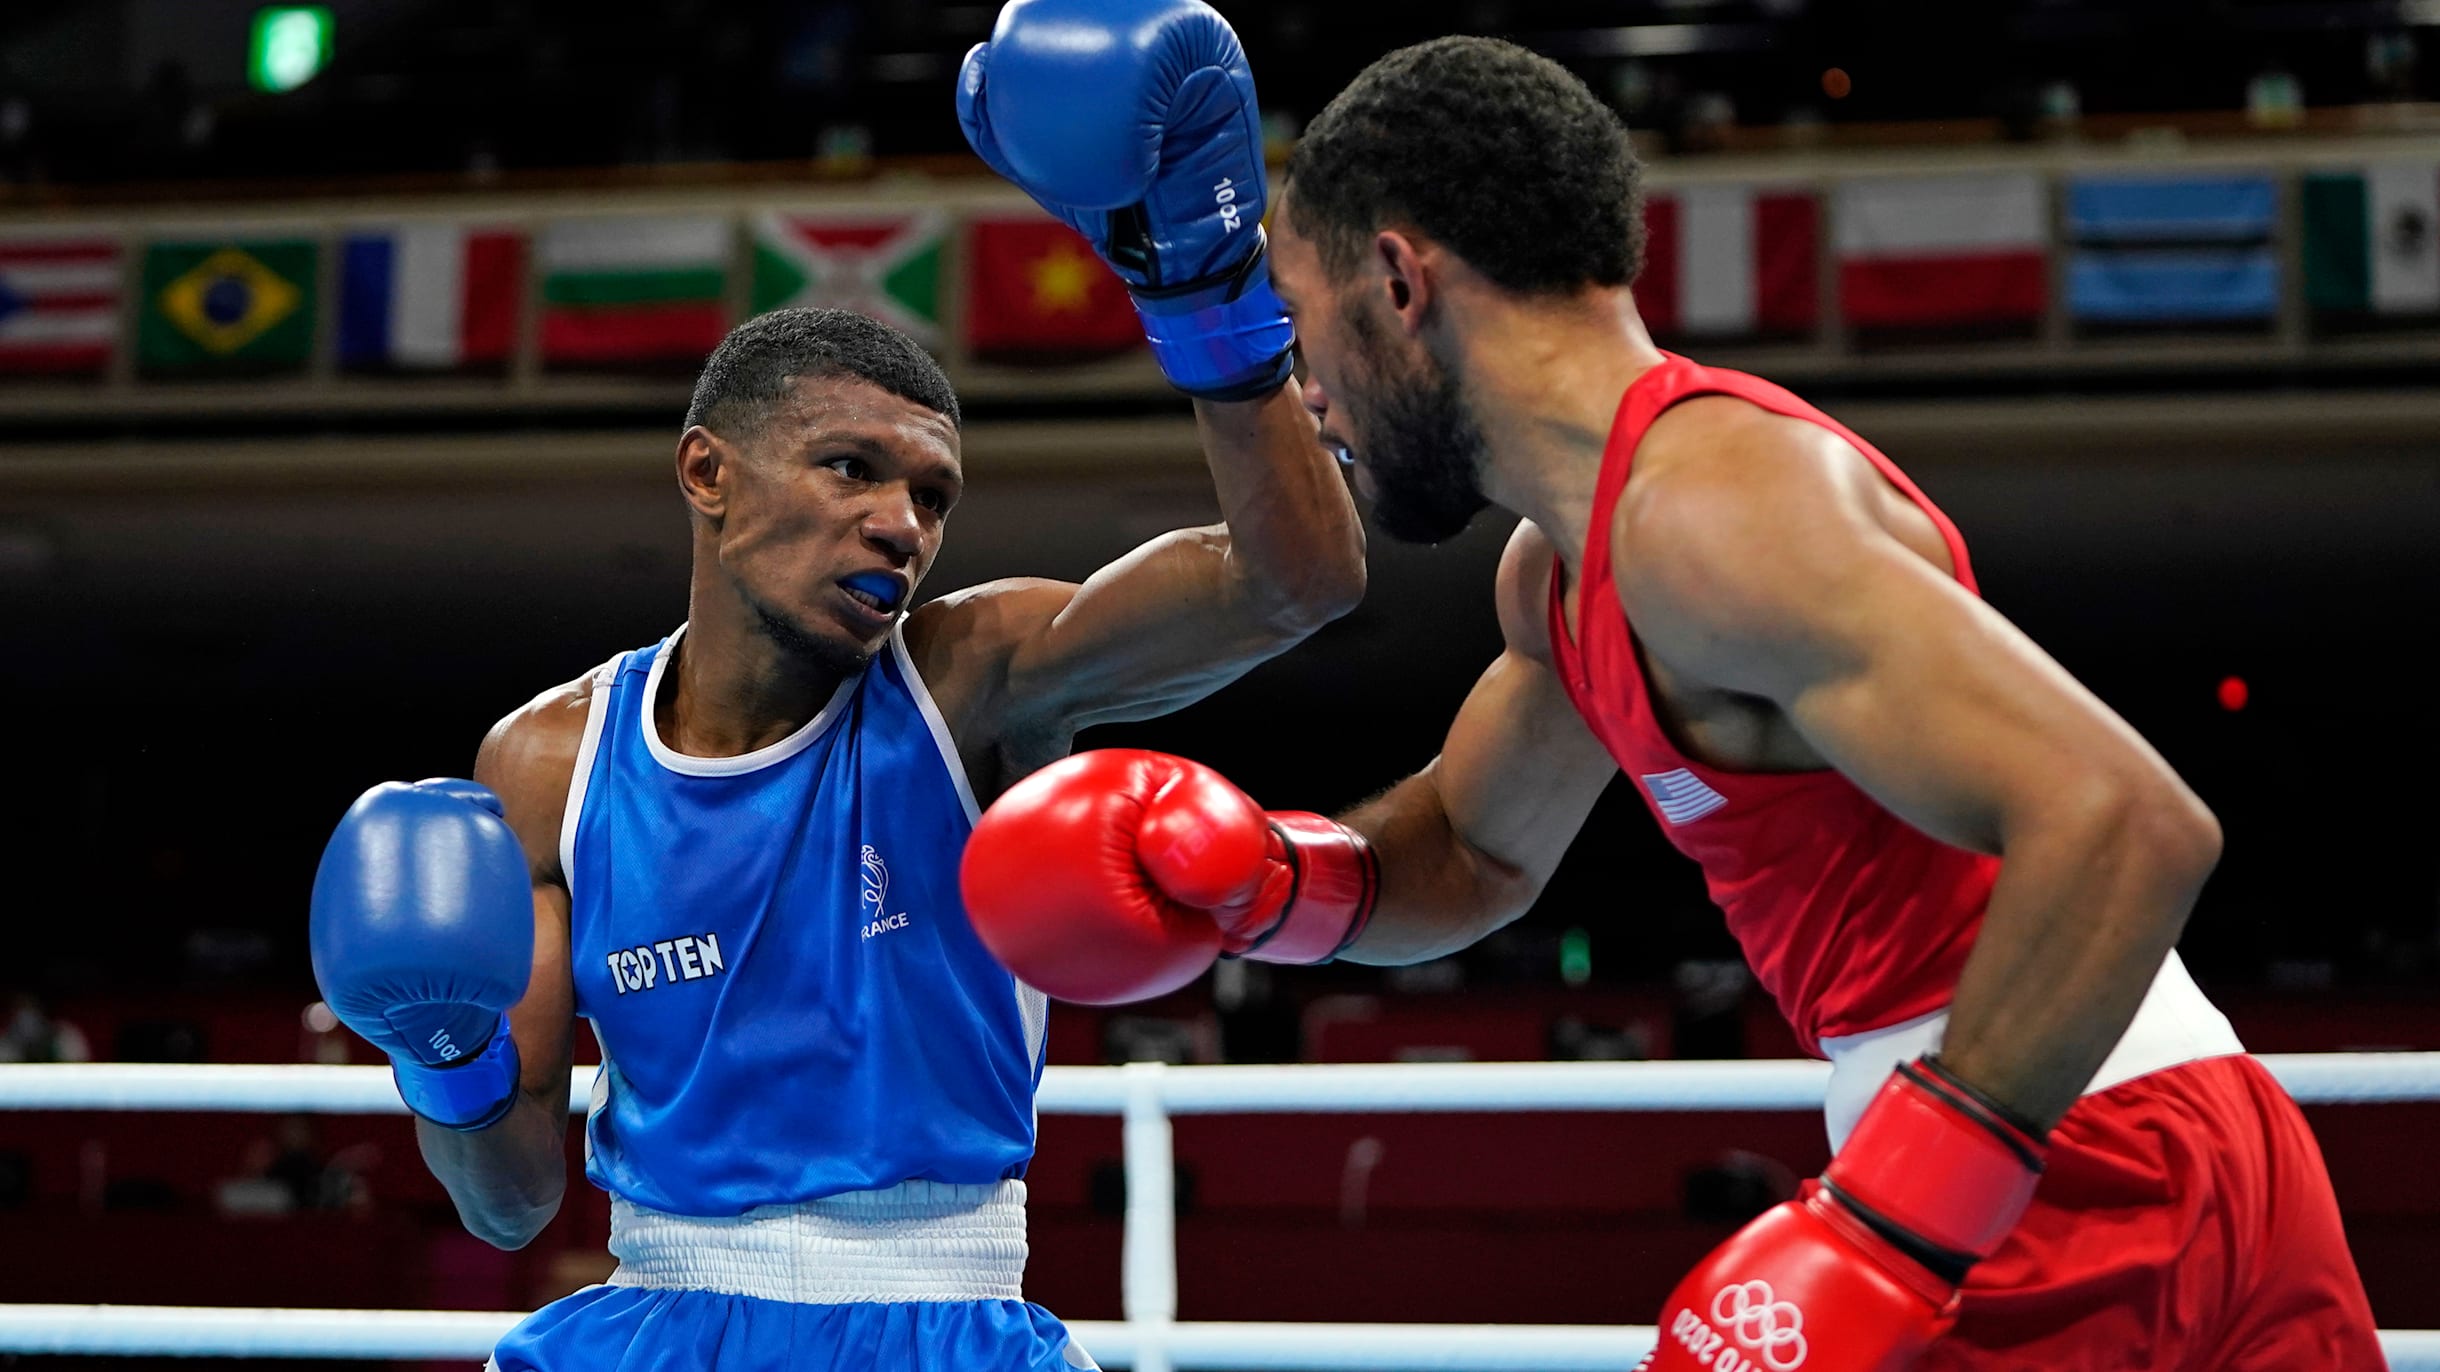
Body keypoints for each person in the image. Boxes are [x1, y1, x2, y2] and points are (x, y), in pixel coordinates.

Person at [958, 36, 2386, 1372]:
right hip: (2099, 1133)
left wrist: (1888, 1224)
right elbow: (1474, 849)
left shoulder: (1708, 511)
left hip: (2050, 1146)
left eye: (1305, 320)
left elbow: (2131, 821)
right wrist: (1271, 882)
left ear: (1400, 283)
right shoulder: (1568, 566)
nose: (1310, 392)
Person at [304, 3, 1362, 1367]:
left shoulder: (975, 678)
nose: (902, 524)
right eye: (852, 469)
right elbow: (509, 1206)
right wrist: (440, 1055)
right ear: (709, 476)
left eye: (932, 494)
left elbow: (1299, 581)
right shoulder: (547, 764)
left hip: (944, 1317)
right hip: (658, 1315)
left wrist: (1210, 293)